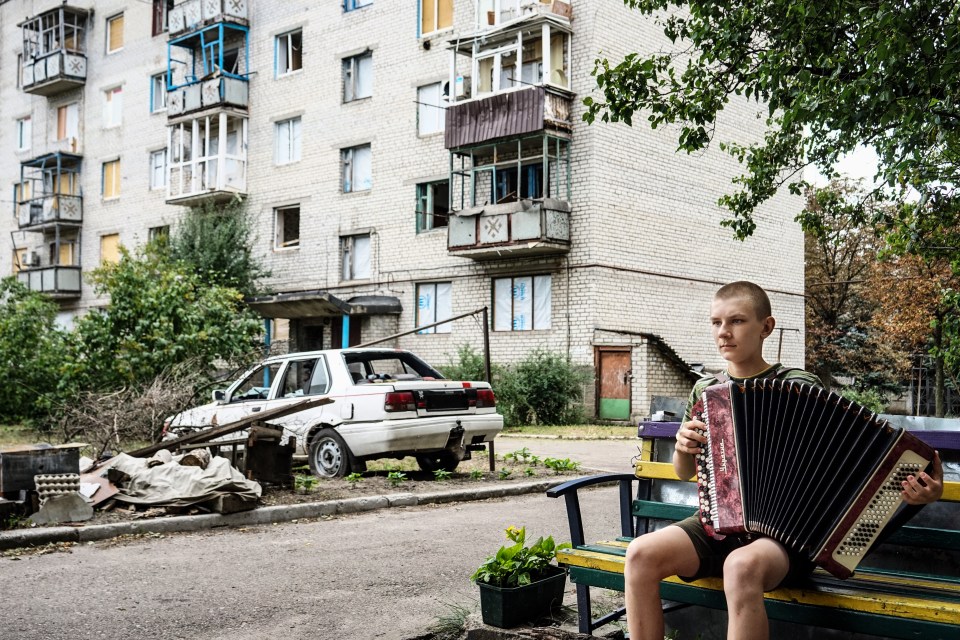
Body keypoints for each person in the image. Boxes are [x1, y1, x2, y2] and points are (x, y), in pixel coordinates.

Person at [623, 281, 944, 640]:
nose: (724, 332)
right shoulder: (705, 392)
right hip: (719, 524)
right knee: (640, 554)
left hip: (787, 539)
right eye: (716, 323)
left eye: (737, 321)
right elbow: (685, 474)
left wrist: (920, 487)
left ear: (766, 327)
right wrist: (683, 449)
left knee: (741, 565)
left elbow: (849, 462)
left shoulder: (800, 385)